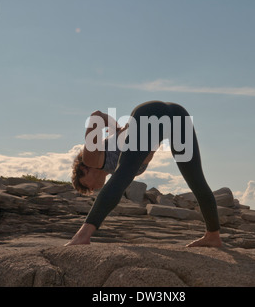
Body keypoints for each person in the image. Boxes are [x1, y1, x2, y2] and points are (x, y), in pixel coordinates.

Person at [67, 100, 222, 247]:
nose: (91, 190)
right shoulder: (120, 166)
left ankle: (82, 236)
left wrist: (116, 128)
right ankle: (213, 236)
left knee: (120, 180)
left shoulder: (91, 159)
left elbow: (97, 115)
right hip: (178, 115)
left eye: (85, 185)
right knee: (197, 181)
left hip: (149, 113)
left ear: (83, 170)